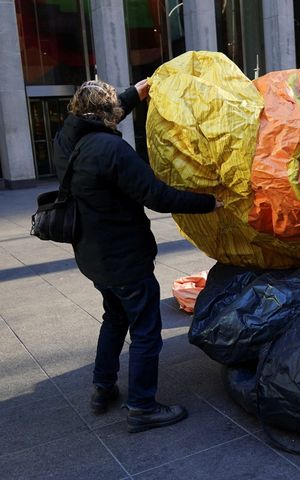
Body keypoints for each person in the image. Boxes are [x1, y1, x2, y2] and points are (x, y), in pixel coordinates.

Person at [53, 79, 222, 433]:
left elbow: (103, 115)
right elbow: (157, 196)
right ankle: (142, 406)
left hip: (92, 255)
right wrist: (209, 203)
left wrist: (135, 92)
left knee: (114, 317)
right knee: (145, 331)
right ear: (107, 113)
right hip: (125, 257)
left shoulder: (67, 139)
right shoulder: (112, 151)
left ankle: (103, 388)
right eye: (115, 107)